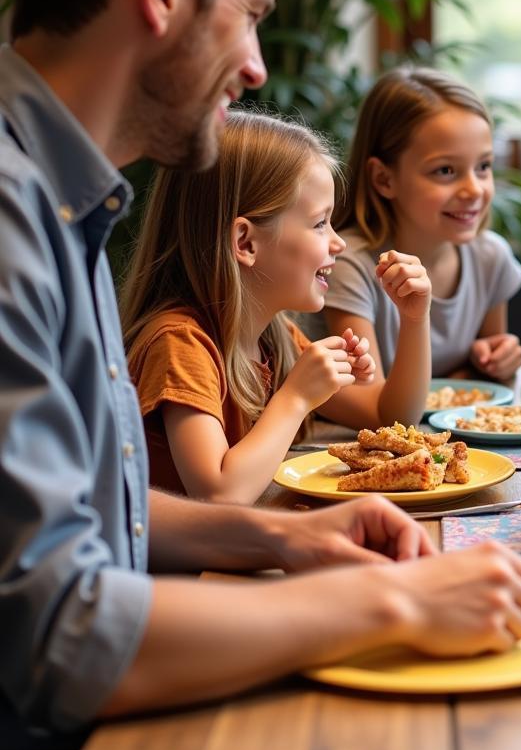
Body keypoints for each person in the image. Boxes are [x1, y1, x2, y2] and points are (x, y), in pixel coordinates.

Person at [0, 0, 521, 750]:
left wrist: (287, 535)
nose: (255, 64)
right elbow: (53, 630)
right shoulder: (9, 224)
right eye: (250, 14)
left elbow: (94, 512)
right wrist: (392, 605)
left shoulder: (62, 200)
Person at [120, 111, 432, 503]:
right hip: (177, 565)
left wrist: (414, 318)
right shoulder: (180, 344)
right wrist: (297, 397)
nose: (338, 243)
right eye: (320, 224)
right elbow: (218, 496)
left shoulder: (274, 336)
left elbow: (388, 415)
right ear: (246, 243)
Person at [315, 66, 521, 383]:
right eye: (445, 171)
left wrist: (497, 360)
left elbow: (487, 386)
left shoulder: (490, 257)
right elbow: (372, 399)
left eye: (483, 166)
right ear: (384, 179)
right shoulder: (349, 267)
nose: (474, 190)